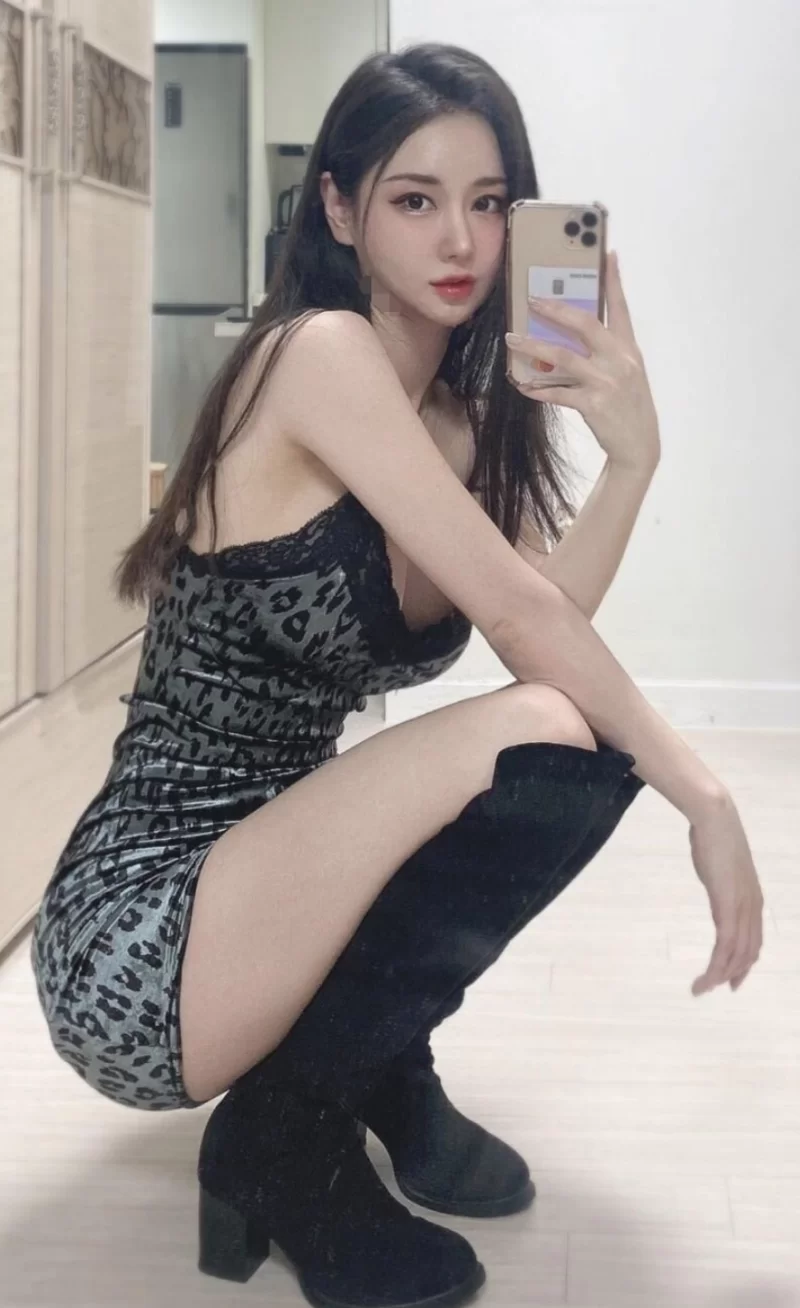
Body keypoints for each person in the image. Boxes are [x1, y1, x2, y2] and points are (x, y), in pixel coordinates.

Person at [30, 41, 763, 1308]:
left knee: (552, 733)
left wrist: (631, 462)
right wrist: (701, 792)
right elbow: (528, 631)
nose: (460, 240)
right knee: (547, 724)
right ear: (338, 209)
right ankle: (286, 1136)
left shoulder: (458, 424)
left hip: (277, 885)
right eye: (414, 199)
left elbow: (545, 623)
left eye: (488, 201)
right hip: (144, 933)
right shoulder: (316, 355)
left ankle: (371, 1067)